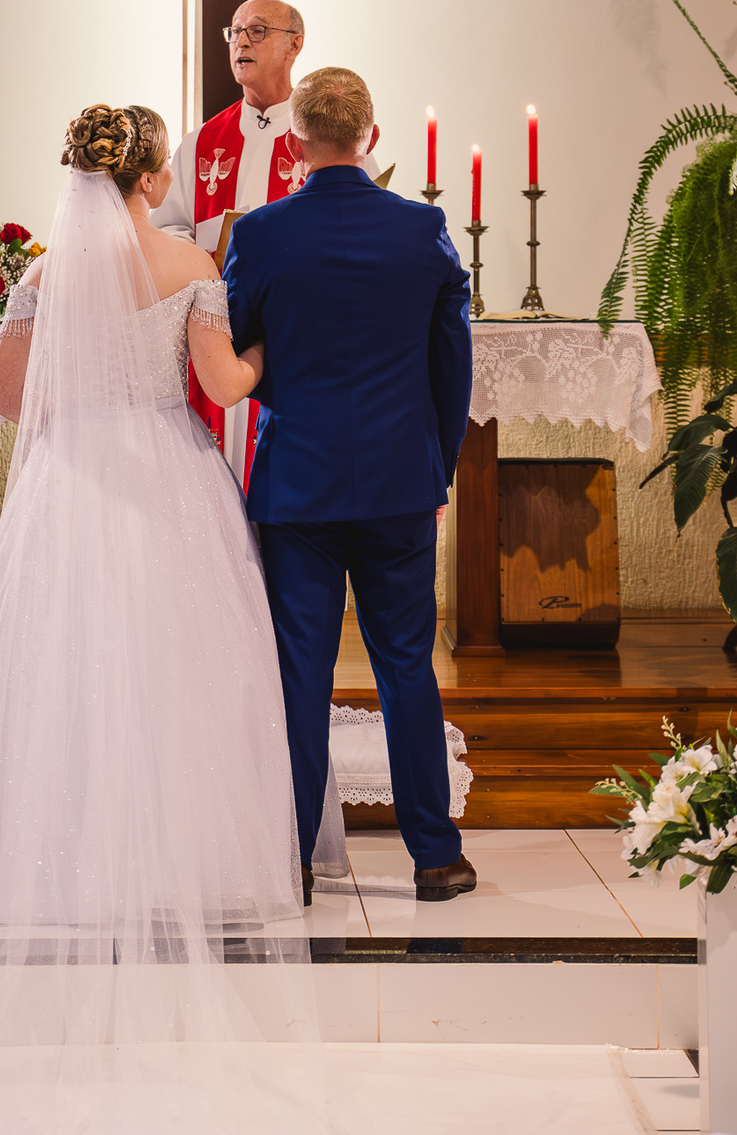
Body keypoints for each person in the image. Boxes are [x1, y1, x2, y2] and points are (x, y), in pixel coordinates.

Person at [0, 105, 336, 1135]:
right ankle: (190, 862)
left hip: (73, 474)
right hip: (167, 472)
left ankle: (49, 858)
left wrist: (80, 412)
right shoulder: (186, 262)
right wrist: (266, 353)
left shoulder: (45, 275)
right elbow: (222, 384)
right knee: (178, 662)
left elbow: (6, 394)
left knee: (59, 658)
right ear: (154, 174)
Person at [224, 67, 477, 904]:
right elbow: (451, 363)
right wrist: (435, 465)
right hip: (400, 481)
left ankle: (291, 858)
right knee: (407, 664)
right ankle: (435, 856)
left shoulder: (263, 233)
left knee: (300, 671)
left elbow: (242, 346)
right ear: (371, 135)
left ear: (295, 141)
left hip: (299, 480)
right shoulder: (422, 228)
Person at [153, 0, 378, 488]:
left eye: (257, 30)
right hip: (219, 334)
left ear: (294, 45)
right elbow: (167, 229)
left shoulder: (331, 134)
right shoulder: (199, 143)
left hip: (301, 337)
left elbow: (366, 224)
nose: (241, 42)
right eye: (234, 32)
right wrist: (203, 263)